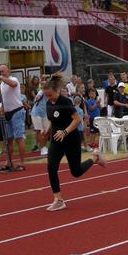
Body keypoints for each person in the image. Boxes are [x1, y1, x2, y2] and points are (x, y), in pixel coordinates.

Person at [42, 74, 107, 211]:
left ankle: (95, 158)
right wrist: (47, 129)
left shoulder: (65, 102)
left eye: (50, 95)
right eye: (46, 96)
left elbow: (77, 120)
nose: (49, 98)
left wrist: (65, 131)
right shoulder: (48, 103)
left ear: (57, 91)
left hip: (71, 140)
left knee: (76, 172)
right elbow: (51, 120)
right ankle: (58, 200)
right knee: (51, 167)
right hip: (56, 141)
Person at [0, 64, 28, 172]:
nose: (1, 73)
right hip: (7, 113)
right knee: (8, 139)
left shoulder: (13, 79)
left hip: (16, 111)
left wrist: (1, 77)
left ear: (8, 71)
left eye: (2, 71)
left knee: (19, 138)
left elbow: (13, 84)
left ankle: (22, 162)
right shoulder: (2, 84)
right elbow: (2, 99)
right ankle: (8, 162)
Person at [30, 82, 50, 156]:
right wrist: (38, 96)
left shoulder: (51, 92)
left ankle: (43, 146)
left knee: (46, 131)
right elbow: (38, 96)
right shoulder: (41, 91)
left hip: (45, 113)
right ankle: (42, 148)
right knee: (39, 130)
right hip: (36, 113)